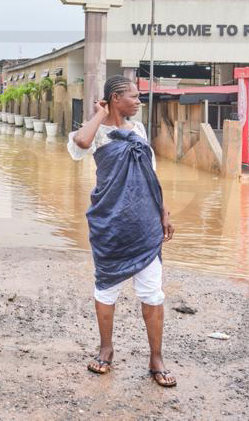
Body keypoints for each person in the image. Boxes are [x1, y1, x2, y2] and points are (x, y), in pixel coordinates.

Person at [68, 75, 176, 388]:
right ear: (116, 98)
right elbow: (80, 145)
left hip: (144, 223)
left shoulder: (139, 131)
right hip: (110, 224)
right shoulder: (96, 132)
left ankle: (156, 357)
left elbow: (151, 174)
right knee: (107, 289)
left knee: (152, 291)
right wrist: (99, 114)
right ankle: (106, 348)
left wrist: (163, 212)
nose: (139, 101)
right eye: (134, 96)